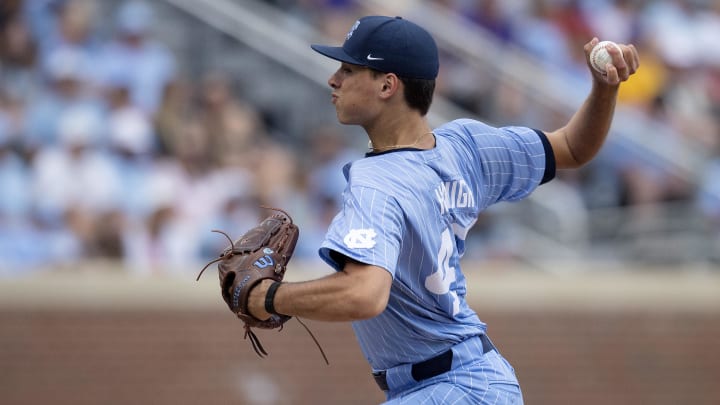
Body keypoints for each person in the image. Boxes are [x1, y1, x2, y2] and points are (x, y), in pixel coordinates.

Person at [245, 15, 639, 404]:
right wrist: (604, 91)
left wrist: (267, 297)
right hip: (476, 382)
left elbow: (364, 295)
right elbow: (573, 148)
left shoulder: (377, 181)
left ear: (387, 85)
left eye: (349, 69)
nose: (334, 79)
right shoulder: (465, 146)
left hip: (452, 387)